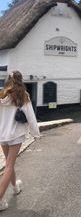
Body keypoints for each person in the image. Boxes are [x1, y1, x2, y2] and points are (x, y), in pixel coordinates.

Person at [0, 71, 40, 211]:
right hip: (15, 135)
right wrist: (36, 134)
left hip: (2, 135)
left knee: (8, 164)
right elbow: (31, 117)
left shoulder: (2, 95)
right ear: (20, 80)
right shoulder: (23, 96)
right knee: (10, 165)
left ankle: (15, 187)